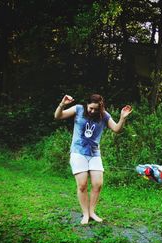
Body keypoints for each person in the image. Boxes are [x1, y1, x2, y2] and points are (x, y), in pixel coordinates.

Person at [54, 94, 132, 224]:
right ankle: (85, 214)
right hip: (78, 152)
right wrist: (62, 104)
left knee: (97, 184)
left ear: (100, 108)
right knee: (82, 184)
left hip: (94, 153)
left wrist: (122, 118)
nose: (93, 111)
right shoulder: (78, 109)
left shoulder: (104, 115)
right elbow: (58, 116)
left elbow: (117, 129)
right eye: (91, 108)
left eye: (96, 109)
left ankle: (92, 212)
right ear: (87, 105)